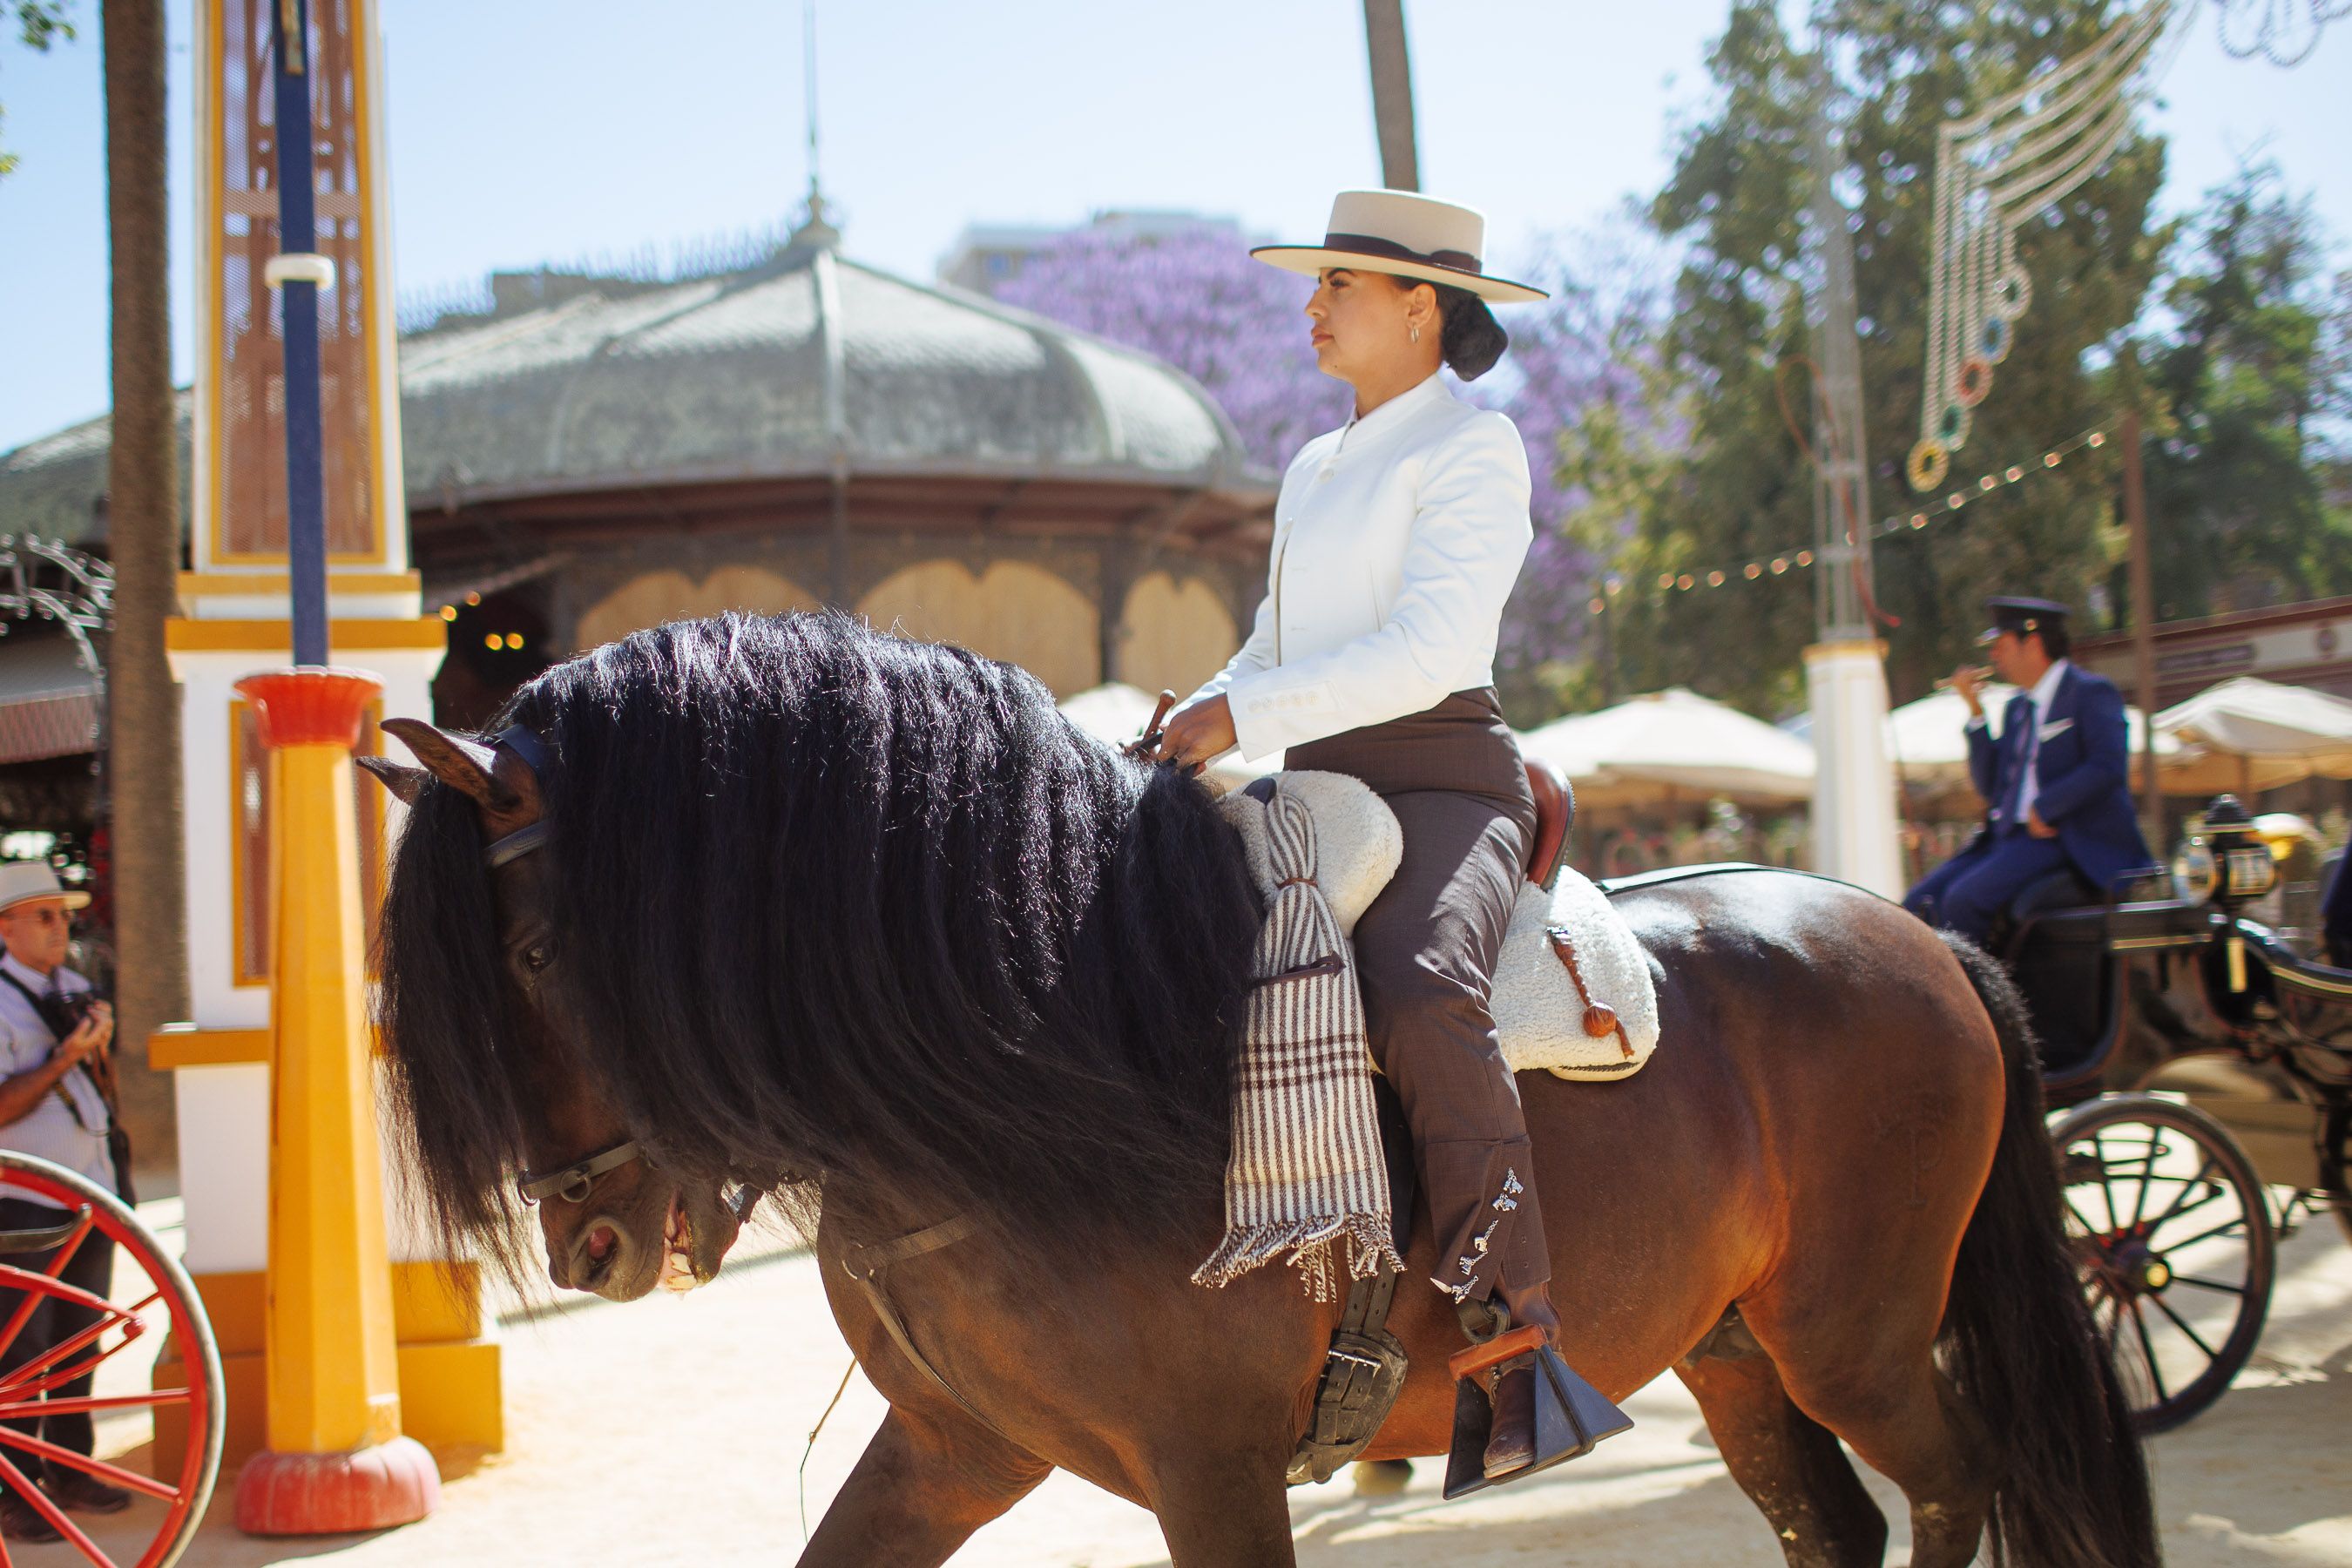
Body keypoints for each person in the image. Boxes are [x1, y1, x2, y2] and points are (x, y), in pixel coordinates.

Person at [1156, 189, 1628, 1487]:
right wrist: (1205, 709)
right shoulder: (1314, 465)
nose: (1312, 306)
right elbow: (1276, 645)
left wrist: (1240, 712)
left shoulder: (1477, 450)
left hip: (1442, 783)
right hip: (1310, 781)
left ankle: (1511, 1335)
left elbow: (1429, 650)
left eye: (1339, 287)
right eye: (1315, 286)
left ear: (1422, 309)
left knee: (1420, 992)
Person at [0, 862, 127, 1539]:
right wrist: (60, 1058)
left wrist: (96, 1049)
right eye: (44, 916)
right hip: (21, 1199)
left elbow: (101, 1092)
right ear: (6, 927)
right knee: (24, 1350)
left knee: (82, 1337)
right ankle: (16, 1490)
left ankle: (71, 1470)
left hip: (92, 1187)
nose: (61, 928)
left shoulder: (74, 988)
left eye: (64, 915)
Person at [1903, 597, 2151, 944]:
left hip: (2063, 838)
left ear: (2032, 643)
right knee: (1917, 904)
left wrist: (2047, 806)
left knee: (1964, 900)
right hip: (2007, 838)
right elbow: (1992, 787)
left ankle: (1981, 997)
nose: (1993, 657)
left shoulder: (2090, 693)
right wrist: (1976, 714)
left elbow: (2108, 765)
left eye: (2000, 645)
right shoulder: (2017, 707)